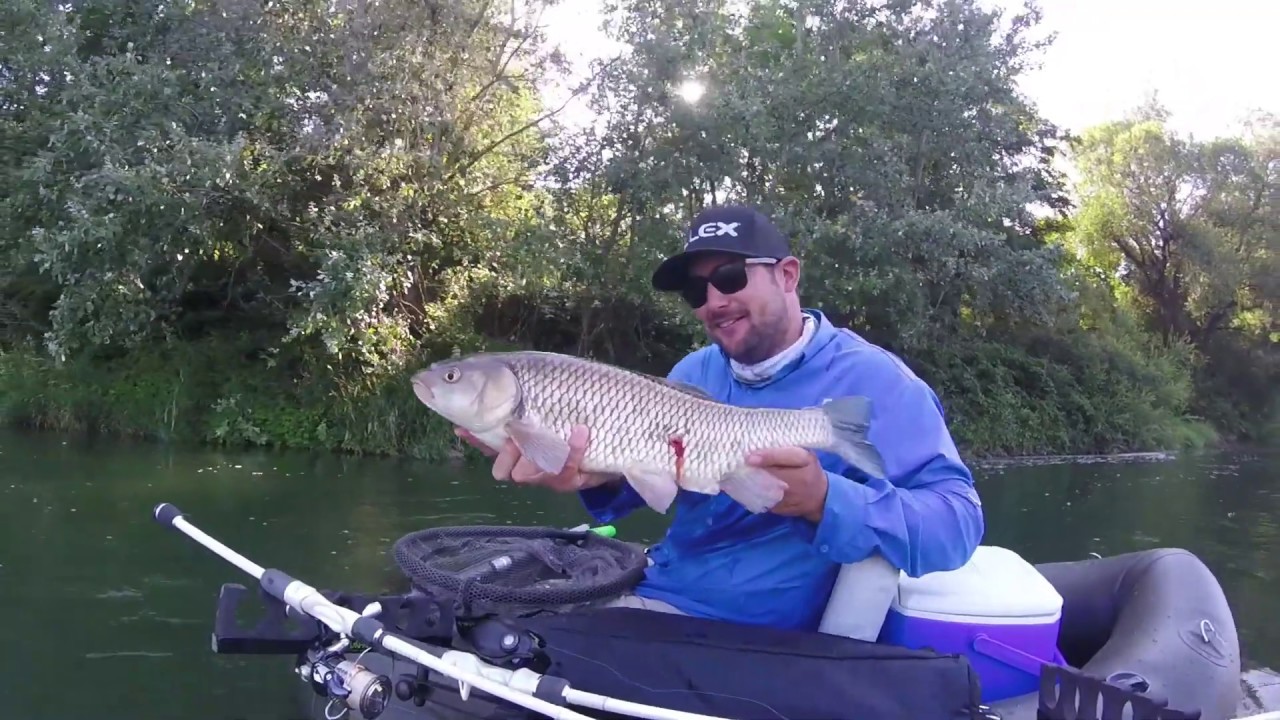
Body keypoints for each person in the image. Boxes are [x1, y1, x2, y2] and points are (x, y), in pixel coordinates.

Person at [455, 204, 985, 632]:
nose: (714, 301)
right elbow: (647, 482)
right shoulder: (693, 371)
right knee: (479, 624)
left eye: (730, 277)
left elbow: (957, 524)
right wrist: (589, 476)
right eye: (696, 291)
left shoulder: (878, 382)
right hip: (661, 588)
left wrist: (825, 501)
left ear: (788, 275)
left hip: (751, 635)